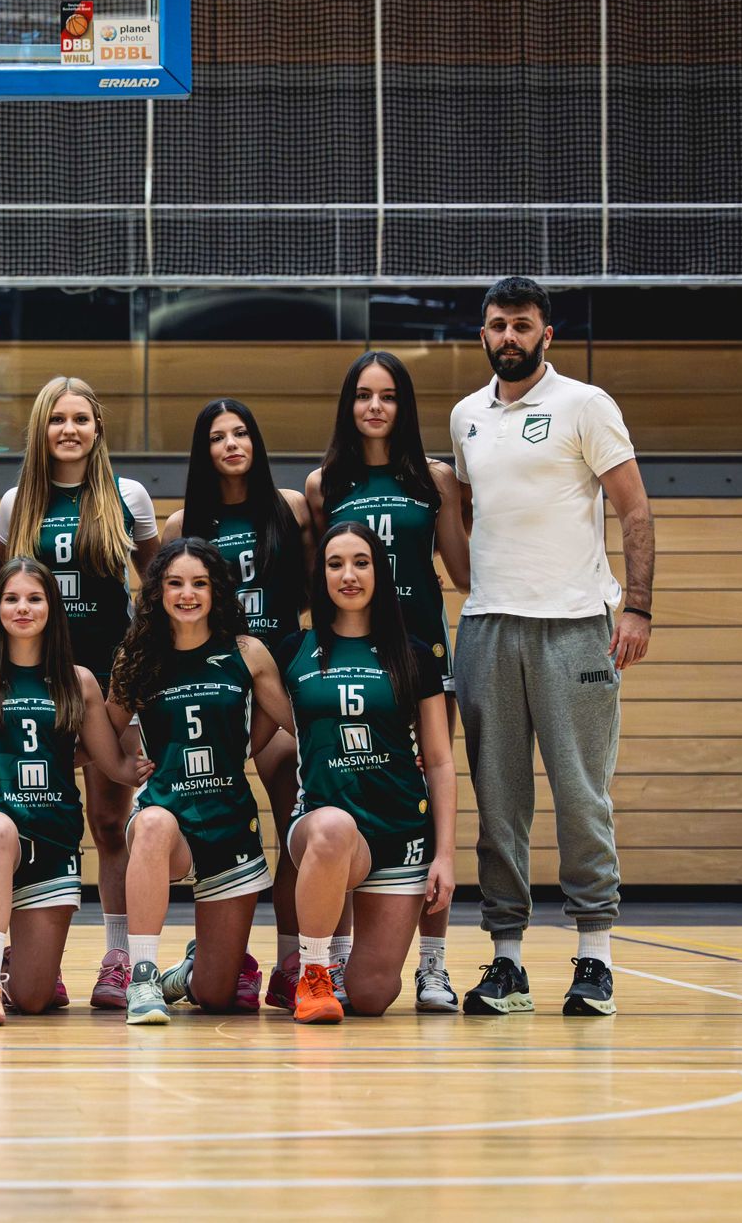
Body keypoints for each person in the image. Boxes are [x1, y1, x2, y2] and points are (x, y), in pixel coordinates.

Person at [450, 276, 654, 1018]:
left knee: (580, 795)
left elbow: (635, 509)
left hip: (574, 626)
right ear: (482, 335)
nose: (510, 336)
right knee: (499, 805)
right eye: (498, 325)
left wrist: (638, 607)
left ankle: (595, 956)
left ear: (546, 335)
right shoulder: (466, 417)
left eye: (523, 324)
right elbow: (470, 513)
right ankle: (507, 963)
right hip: (487, 627)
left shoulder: (585, 405)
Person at [306, 353, 470, 1013]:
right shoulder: (324, 483)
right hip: (350, 652)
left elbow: (463, 570)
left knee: (425, 785)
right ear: (348, 405)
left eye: (389, 396)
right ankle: (336, 959)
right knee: (348, 786)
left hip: (420, 655)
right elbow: (320, 573)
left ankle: (434, 965)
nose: (375, 407)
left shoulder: (435, 478)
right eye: (363, 395)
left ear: (404, 406)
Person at [0, 377, 159, 1010]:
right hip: (37, 680)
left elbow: (158, 589)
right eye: (57, 419)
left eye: (81, 419)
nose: (69, 430)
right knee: (27, 814)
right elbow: (9, 593)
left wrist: (137, 676)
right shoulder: (17, 503)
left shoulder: (128, 495)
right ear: (41, 429)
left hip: (111, 681)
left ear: (98, 429)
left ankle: (118, 958)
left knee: (111, 820)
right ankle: (28, 954)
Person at [0, 558, 138, 1026]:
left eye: (34, 598)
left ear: (52, 607)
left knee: (36, 998)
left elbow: (109, 761)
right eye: (11, 598)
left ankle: (14, 962)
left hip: (55, 836)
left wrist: (142, 768)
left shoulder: (78, 681)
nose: (23, 608)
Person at [161, 397, 312, 1010]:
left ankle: (292, 960)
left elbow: (318, 587)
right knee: (214, 813)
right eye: (218, 436)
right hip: (213, 686)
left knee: (294, 820)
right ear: (204, 450)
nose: (231, 444)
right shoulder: (182, 524)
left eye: (241, 432)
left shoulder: (291, 507)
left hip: (280, 676)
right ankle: (219, 952)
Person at [105, 539, 293, 1025]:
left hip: (229, 823)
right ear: (158, 591)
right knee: (152, 825)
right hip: (168, 820)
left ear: (216, 591)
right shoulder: (137, 656)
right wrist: (122, 767)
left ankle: (189, 971)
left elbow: (297, 722)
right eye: (175, 583)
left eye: (199, 584)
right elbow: (102, 731)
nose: (187, 594)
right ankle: (143, 977)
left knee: (216, 995)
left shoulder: (248, 653)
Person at [279, 523, 457, 1024]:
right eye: (335, 564)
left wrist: (444, 855)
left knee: (373, 995)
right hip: (322, 823)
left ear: (380, 571)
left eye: (361, 562)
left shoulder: (413, 653)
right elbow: (258, 726)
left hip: (400, 830)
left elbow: (440, 761)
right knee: (335, 826)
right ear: (321, 575)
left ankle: (344, 972)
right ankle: (314, 973)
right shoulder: (293, 650)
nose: (349, 575)